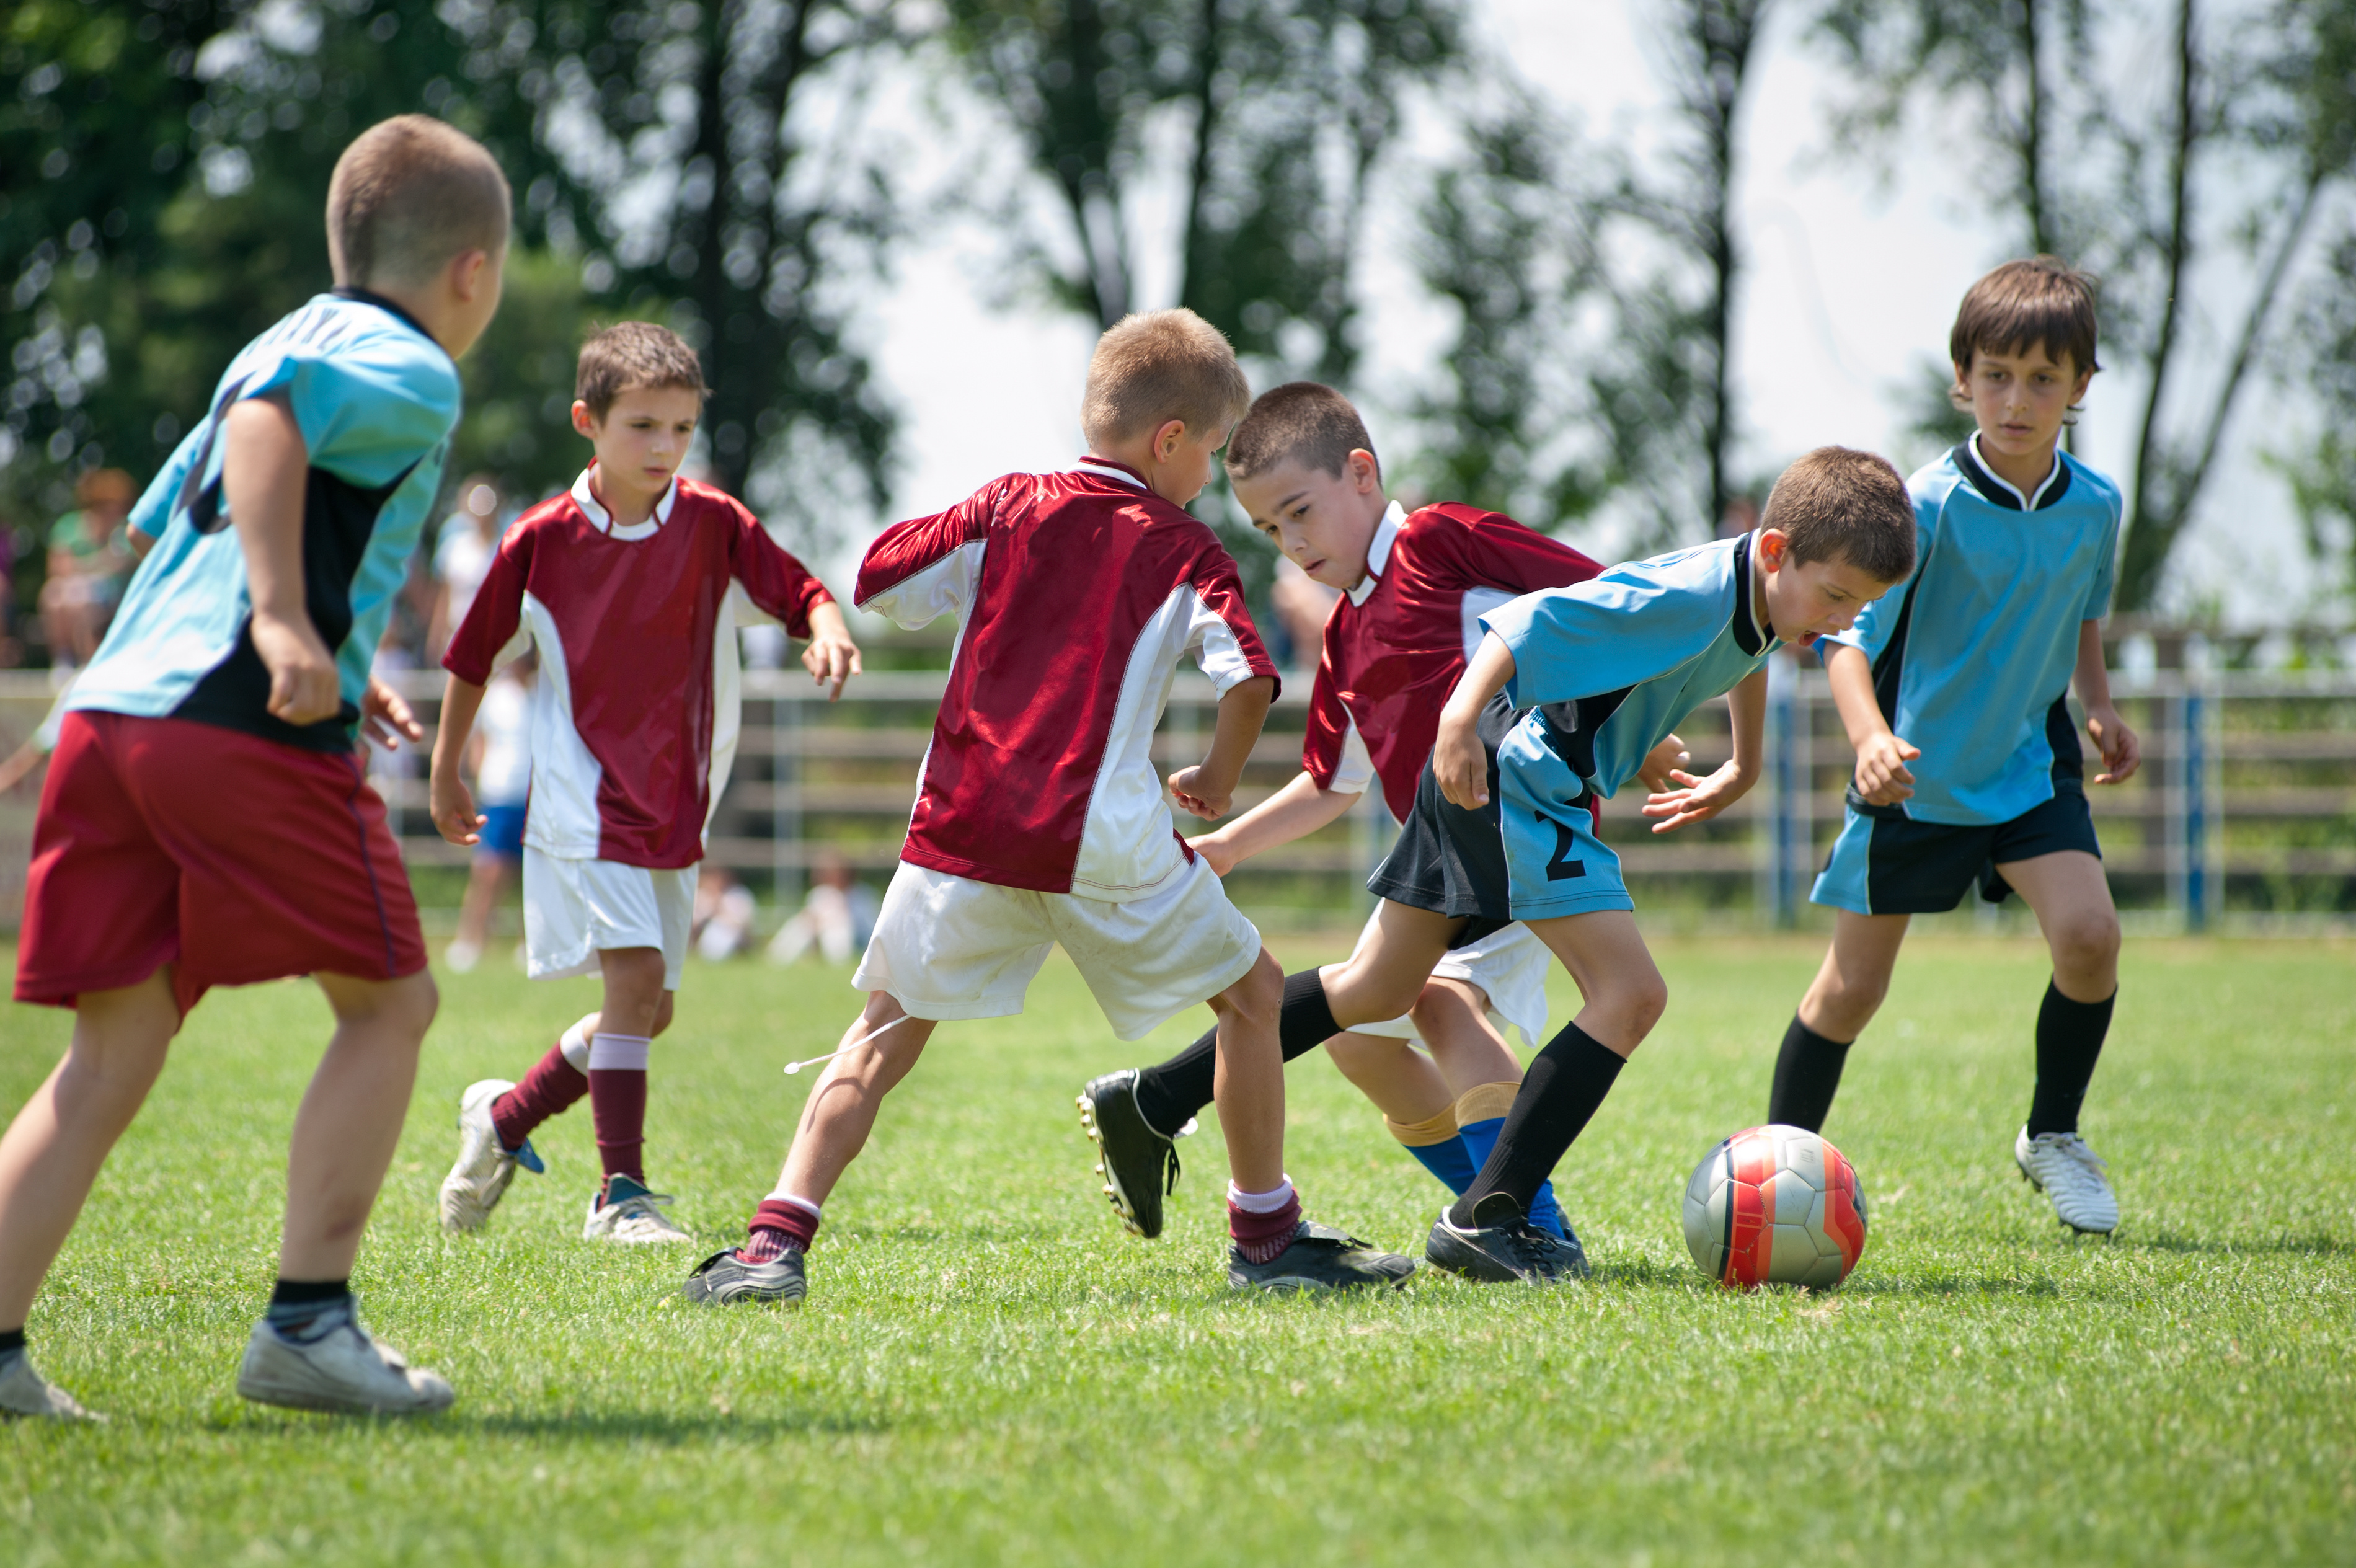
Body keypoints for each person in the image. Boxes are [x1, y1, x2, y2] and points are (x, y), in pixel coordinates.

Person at [681, 310, 1418, 1308]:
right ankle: (1265, 1235)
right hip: (1103, 845)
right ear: (1169, 441)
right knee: (1253, 996)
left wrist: (994, 515)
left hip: (962, 836)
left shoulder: (1009, 503)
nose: (1208, 479)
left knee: (882, 1031)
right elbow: (1248, 677)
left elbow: (877, 576)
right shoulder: (1186, 548)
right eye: (1207, 454)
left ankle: (774, 1242)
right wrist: (1214, 774)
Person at [0, 115, 510, 1419]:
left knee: (109, 1055)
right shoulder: (404, 362)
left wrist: (333, 639)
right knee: (390, 1007)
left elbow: (188, 522)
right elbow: (276, 437)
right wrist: (287, 621)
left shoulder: (274, 339)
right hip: (234, 723)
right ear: (473, 269)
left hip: (122, 715)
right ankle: (306, 1322)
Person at [1082, 383, 1685, 1244]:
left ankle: (1522, 1223)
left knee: (1439, 1007)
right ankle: (1498, 1213)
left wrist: (1639, 725)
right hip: (1448, 851)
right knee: (1360, 1036)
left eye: (1301, 512)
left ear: (1362, 473)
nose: (1293, 545)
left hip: (1526, 830)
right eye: (1269, 531)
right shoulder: (1345, 635)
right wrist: (1225, 846)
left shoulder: (1442, 541)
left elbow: (1605, 600)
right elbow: (1332, 782)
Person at [1412, 446, 1918, 1282]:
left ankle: (1166, 1094)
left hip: (1543, 788)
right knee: (1629, 994)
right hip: (1528, 781)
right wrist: (1457, 718)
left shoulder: (1765, 598)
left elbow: (1752, 650)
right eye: (1836, 597)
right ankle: (1484, 1214)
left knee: (1365, 991)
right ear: (1775, 552)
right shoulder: (1692, 591)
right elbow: (1530, 619)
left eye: (1860, 607)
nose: (1839, 621)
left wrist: (1744, 763)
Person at [430, 321, 861, 1247]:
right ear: (589, 422)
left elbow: (804, 591)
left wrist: (825, 629)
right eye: (642, 426)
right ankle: (618, 1195)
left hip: (675, 807)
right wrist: (445, 772)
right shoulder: (538, 540)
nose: (664, 447)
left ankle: (503, 1118)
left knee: (650, 1008)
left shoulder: (715, 523)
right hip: (582, 805)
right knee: (634, 986)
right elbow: (469, 661)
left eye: (680, 428)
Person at [1764, 259, 2138, 1234]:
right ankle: (1774, 1175)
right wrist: (1871, 739)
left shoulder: (2097, 506)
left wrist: (2097, 706)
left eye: (2044, 379)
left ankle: (2052, 1134)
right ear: (1960, 378)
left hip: (2026, 772)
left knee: (2092, 938)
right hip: (1914, 786)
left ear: (2082, 389)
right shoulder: (1923, 506)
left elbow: (2082, 620)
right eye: (1998, 373)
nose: (2018, 398)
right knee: (1849, 992)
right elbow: (1847, 645)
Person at [443, 653, 534, 973]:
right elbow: (479, 743)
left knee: (534, 875)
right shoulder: (497, 696)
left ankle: (532, 944)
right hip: (499, 795)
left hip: (535, 798)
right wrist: (480, 780)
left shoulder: (543, 695)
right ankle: (471, 941)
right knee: (488, 872)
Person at [39, 469, 138, 673]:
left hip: (113, 597)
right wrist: (100, 563)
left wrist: (82, 567)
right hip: (74, 590)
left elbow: (125, 565)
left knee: (81, 600)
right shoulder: (69, 526)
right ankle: (64, 660)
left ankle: (87, 662)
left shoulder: (123, 532)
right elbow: (57, 568)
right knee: (54, 596)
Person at [428, 473, 503, 660]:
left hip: (495, 640)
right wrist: (435, 639)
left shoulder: (505, 547)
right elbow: (445, 597)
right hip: (457, 638)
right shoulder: (455, 547)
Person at [765, 853, 878, 965]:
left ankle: (839, 961)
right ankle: (779, 956)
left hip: (859, 939)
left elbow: (868, 926)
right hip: (821, 933)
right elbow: (810, 918)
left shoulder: (863, 894)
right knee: (801, 925)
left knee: (839, 928)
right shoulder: (821, 893)